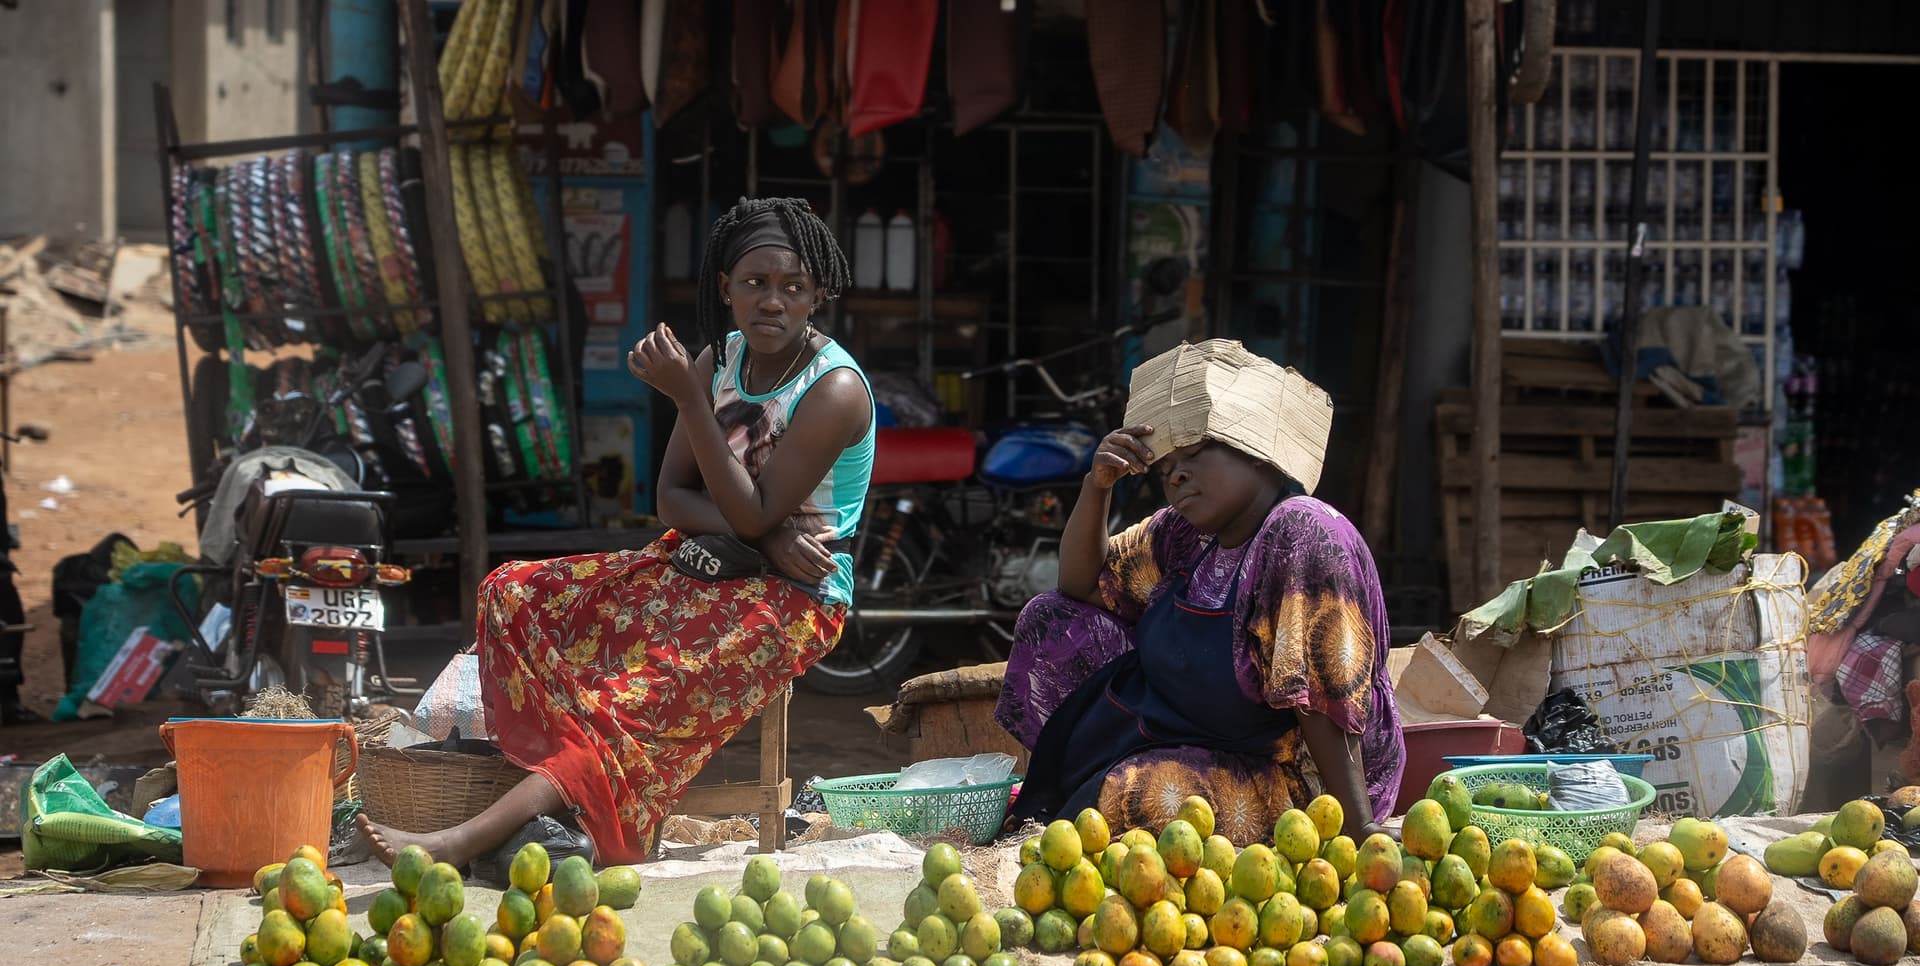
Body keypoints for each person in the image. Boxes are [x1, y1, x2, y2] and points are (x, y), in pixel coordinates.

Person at [358, 197, 875, 867]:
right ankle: (552, 791)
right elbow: (673, 499)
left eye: (792, 287)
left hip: (794, 601)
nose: (772, 301)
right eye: (754, 283)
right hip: (703, 562)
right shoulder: (722, 358)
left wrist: (692, 410)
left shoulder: (832, 389)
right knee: (513, 593)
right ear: (726, 288)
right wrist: (767, 534)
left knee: (623, 704)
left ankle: (457, 841)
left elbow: (750, 511)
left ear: (817, 296)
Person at [996, 346, 1403, 846]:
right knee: (1050, 620)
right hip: (1197, 732)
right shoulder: (1185, 534)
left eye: (1193, 454)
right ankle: (1078, 782)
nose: (1175, 476)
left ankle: (1094, 789)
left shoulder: (1304, 532)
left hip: (1299, 779)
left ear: (1254, 447)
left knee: (1127, 800)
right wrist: (1097, 486)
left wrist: (1357, 830)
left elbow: (1322, 696)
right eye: (1165, 468)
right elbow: (1079, 586)